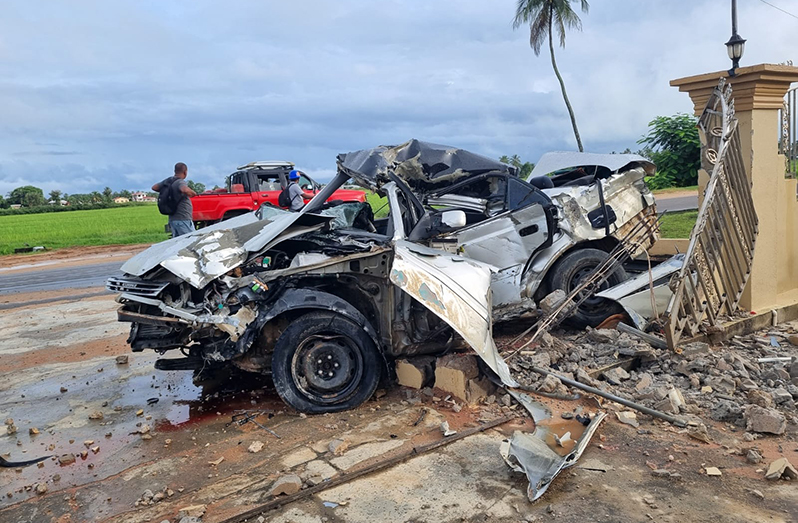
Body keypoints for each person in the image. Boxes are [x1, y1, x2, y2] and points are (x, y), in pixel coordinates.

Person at [152, 162, 197, 237]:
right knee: (190, 240)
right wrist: (193, 193)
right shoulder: (180, 182)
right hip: (183, 218)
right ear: (185, 172)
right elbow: (184, 190)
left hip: (173, 219)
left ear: (175, 171)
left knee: (177, 243)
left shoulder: (168, 181)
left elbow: (154, 187)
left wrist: (168, 191)